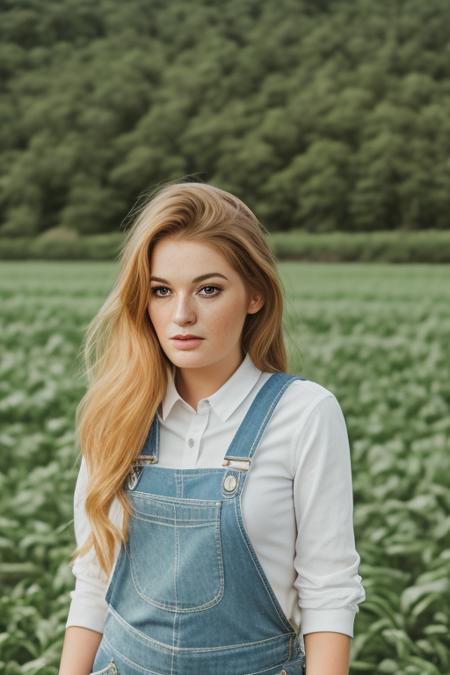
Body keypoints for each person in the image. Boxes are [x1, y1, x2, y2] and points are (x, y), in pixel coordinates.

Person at [58, 180, 366, 675]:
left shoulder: (305, 413)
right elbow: (94, 583)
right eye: (162, 291)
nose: (182, 315)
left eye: (208, 289)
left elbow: (329, 594)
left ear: (255, 296)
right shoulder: (118, 413)